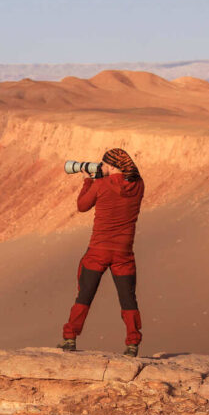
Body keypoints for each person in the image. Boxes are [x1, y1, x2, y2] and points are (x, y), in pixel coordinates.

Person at [59, 147, 144, 356]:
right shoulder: (139, 185)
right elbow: (127, 180)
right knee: (128, 298)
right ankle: (133, 343)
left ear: (112, 166)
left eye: (104, 164)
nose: (101, 167)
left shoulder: (100, 184)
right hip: (124, 252)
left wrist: (88, 181)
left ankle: (70, 338)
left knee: (85, 295)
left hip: (98, 250)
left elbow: (82, 206)